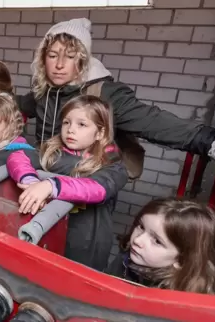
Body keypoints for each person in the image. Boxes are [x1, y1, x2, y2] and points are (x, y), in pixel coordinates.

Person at [16, 18, 215, 176]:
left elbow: (153, 122)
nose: (59, 65)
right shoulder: (45, 90)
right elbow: (19, 105)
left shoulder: (104, 93)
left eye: (70, 57)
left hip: (86, 182)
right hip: (42, 177)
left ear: (83, 60)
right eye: (53, 56)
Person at [7, 95, 128, 271]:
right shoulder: (52, 152)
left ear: (100, 133)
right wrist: (30, 180)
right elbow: (18, 156)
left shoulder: (112, 164)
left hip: (86, 245)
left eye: (82, 124)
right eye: (66, 122)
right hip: (51, 233)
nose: (71, 130)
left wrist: (50, 185)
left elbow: (98, 189)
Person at [106, 198, 215, 297]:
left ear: (181, 261)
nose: (137, 240)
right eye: (141, 227)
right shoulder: (126, 258)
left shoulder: (189, 300)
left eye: (157, 241)